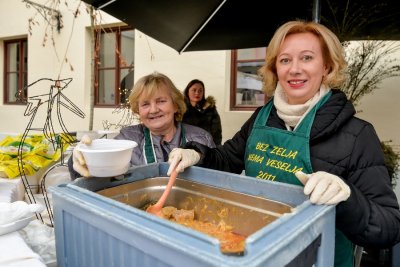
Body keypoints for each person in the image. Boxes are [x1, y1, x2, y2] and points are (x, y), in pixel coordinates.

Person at [167, 21, 400, 267]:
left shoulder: (357, 134)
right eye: (285, 60)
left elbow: (388, 227)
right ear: (275, 68)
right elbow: (227, 160)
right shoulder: (261, 118)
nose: (295, 69)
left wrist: (347, 198)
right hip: (259, 254)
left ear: (327, 67)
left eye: (307, 58)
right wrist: (196, 154)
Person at [68, 72, 215, 179]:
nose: (153, 110)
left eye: (161, 101)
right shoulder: (127, 139)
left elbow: (220, 181)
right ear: (138, 111)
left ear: (176, 105)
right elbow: (96, 176)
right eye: (145, 104)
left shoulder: (202, 138)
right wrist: (82, 157)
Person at [182, 79, 222, 145]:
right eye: (194, 90)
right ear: (187, 91)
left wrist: (215, 149)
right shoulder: (181, 109)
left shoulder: (210, 109)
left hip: (206, 146)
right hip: (185, 146)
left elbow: (216, 132)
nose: (197, 93)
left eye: (200, 90)